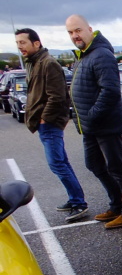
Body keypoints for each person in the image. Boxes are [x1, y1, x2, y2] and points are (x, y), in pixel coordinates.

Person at [15, 28, 88, 223]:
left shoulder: (48, 63)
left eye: (23, 42)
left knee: (57, 163)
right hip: (45, 124)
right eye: (18, 43)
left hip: (49, 123)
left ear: (36, 43)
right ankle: (75, 199)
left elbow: (57, 96)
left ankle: (80, 203)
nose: (19, 46)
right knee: (61, 162)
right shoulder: (35, 63)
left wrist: (44, 119)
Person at [65, 14, 122, 229]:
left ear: (90, 29)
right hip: (91, 127)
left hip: (105, 125)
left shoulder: (101, 54)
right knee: (94, 165)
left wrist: (92, 114)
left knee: (116, 168)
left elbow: (110, 90)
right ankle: (115, 205)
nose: (75, 35)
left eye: (78, 30)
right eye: (71, 32)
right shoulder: (85, 55)